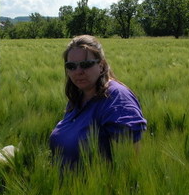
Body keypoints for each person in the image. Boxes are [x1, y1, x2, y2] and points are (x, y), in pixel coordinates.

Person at [49, 35, 146, 168]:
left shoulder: (117, 99)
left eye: (86, 64)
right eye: (71, 66)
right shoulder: (78, 97)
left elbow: (130, 164)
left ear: (101, 65)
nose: (78, 72)